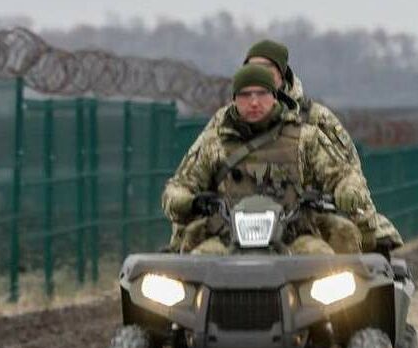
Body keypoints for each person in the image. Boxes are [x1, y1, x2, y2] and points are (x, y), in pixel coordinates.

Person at [162, 64, 371, 255]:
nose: (254, 102)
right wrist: (186, 201)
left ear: (275, 96)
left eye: (262, 94)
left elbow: (345, 175)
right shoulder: (214, 142)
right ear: (234, 99)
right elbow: (179, 186)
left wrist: (348, 191)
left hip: (294, 237)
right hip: (225, 238)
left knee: (321, 262)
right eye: (245, 95)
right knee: (199, 263)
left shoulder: (306, 138)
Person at [241, 39, 404, 252]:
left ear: (282, 73)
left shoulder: (315, 119)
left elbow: (348, 172)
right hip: (243, 220)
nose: (258, 74)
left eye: (266, 68)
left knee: (346, 240)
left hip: (307, 218)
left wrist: (349, 200)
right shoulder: (230, 120)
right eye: (251, 68)